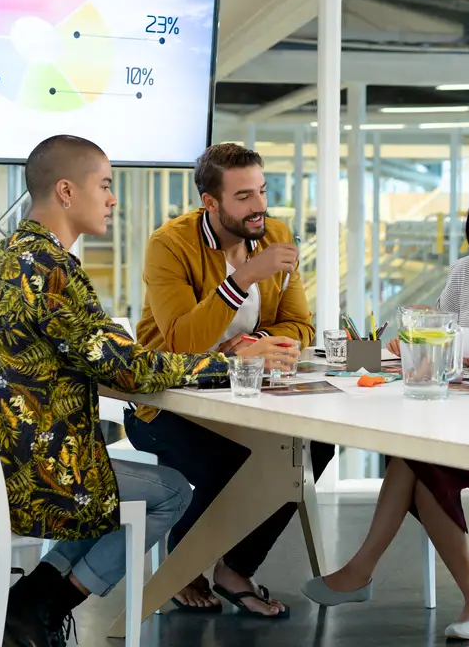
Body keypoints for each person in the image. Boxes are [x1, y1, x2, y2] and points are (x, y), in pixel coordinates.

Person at [0, 135, 276, 647]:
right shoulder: (52, 270)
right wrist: (225, 363)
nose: (113, 198)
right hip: (32, 477)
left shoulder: (1, 257)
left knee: (121, 486)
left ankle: (29, 605)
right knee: (170, 494)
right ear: (68, 192)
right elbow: (128, 368)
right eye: (106, 185)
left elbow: (96, 357)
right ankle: (44, 606)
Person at [302, 178, 469, 640]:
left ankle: (372, 571)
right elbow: (431, 338)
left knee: (415, 463)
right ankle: (467, 598)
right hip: (461, 406)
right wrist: (392, 344)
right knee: (412, 458)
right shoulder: (463, 272)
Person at [128, 143, 333, 618]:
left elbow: (299, 326)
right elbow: (180, 342)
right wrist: (241, 279)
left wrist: (254, 343)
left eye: (262, 191)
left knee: (311, 448)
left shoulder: (276, 234)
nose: (259, 205)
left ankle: (235, 568)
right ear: (211, 203)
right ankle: (183, 566)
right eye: (244, 196)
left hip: (249, 396)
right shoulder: (170, 245)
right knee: (235, 463)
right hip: (167, 401)